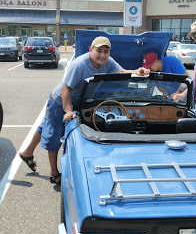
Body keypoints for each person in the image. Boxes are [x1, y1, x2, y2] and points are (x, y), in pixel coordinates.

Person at [19, 36, 148, 185]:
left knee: (47, 125)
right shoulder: (80, 64)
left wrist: (137, 72)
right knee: (55, 133)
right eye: (99, 50)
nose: (102, 54)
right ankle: (54, 173)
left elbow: (121, 72)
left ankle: (27, 152)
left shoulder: (108, 62)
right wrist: (68, 111)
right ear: (90, 50)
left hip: (78, 101)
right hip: (60, 101)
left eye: (106, 51)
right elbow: (65, 88)